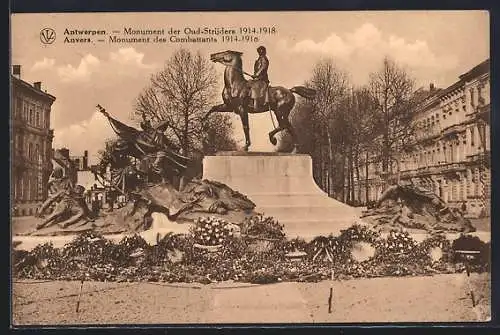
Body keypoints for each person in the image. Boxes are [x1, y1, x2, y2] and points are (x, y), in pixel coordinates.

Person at [251, 46, 270, 111]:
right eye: (259, 51)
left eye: (261, 51)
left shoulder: (264, 59)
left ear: (264, 51)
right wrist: (254, 75)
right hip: (257, 78)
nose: (260, 52)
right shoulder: (258, 60)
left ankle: (256, 105)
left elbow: (263, 67)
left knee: (255, 87)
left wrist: (256, 75)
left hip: (262, 79)